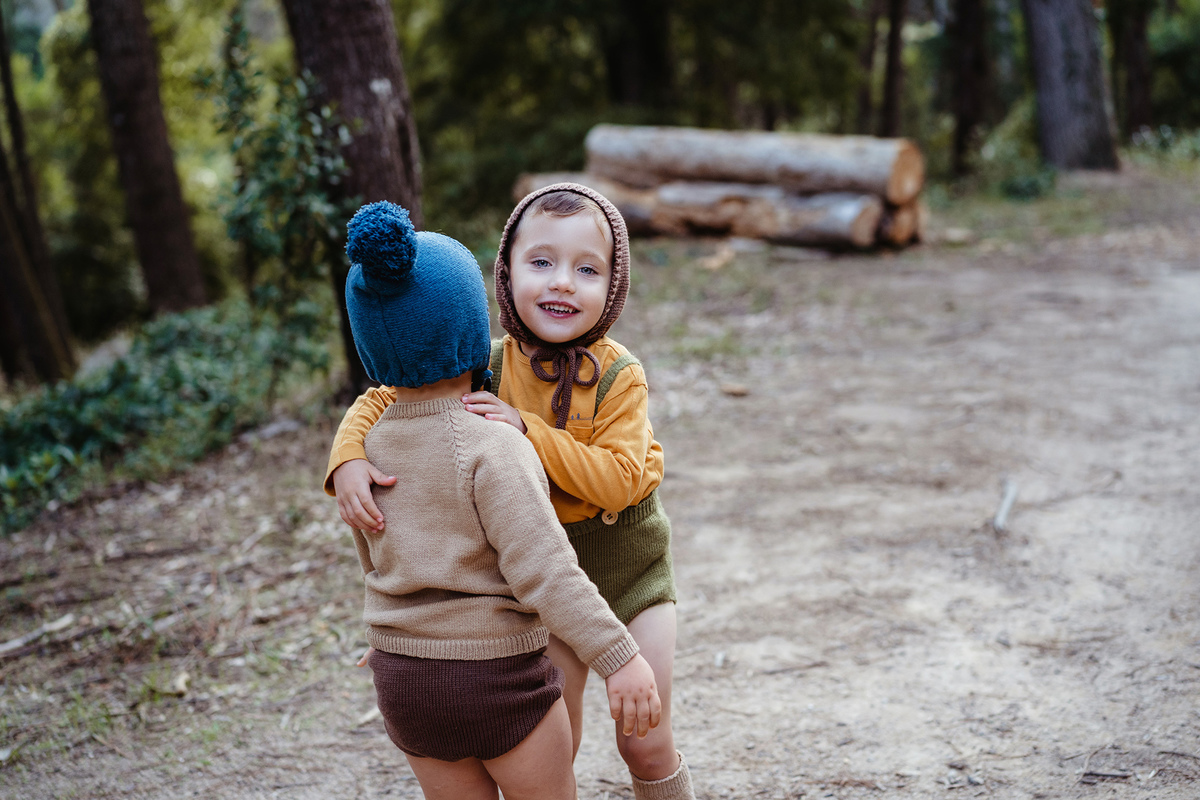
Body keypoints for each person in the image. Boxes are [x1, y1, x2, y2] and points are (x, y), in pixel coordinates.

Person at [327, 184, 696, 800]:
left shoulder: (618, 374)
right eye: (541, 262)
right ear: (505, 274)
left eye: (587, 269)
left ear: (613, 285)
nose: (562, 283)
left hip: (629, 572)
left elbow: (622, 481)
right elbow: (387, 397)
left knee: (644, 734)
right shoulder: (484, 363)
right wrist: (347, 459)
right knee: (556, 740)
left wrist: (529, 432)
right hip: (538, 582)